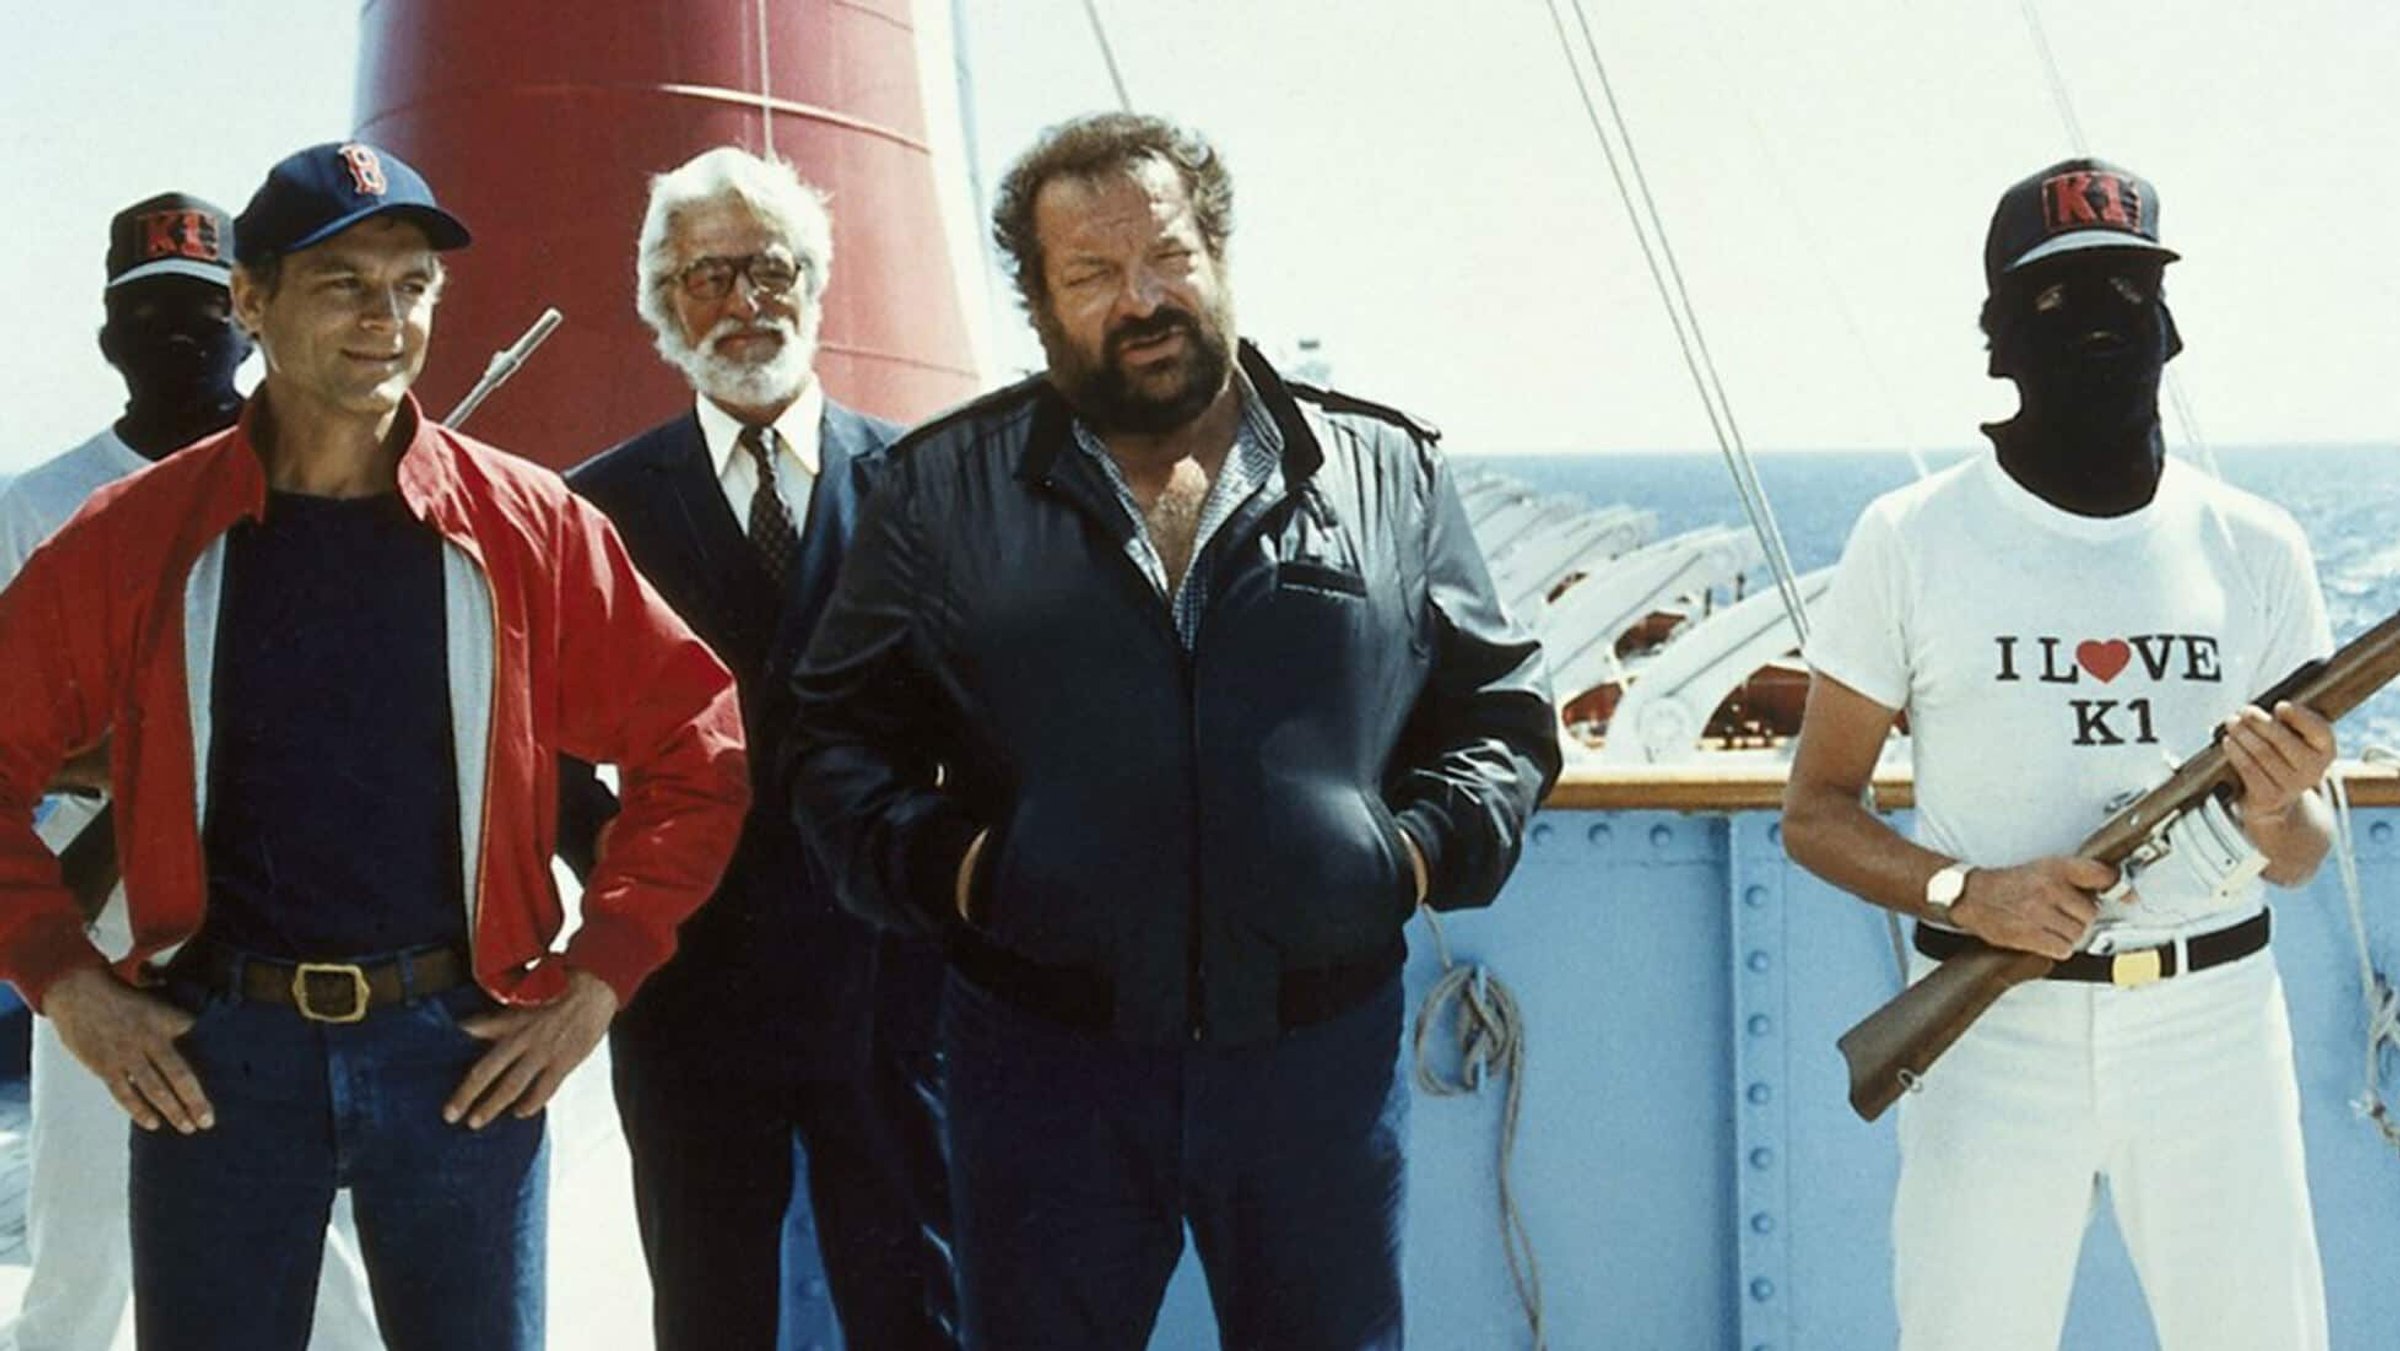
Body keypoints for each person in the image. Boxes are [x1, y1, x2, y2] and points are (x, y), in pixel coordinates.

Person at [789, 111, 1560, 1351]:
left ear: (1219, 255)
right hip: (1043, 1067)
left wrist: (1411, 855)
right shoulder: (939, 490)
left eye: (1168, 257)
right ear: (1040, 304)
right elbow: (831, 742)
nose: (1143, 299)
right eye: (1093, 273)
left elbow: (1501, 716)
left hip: (1316, 1064)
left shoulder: (1383, 470)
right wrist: (963, 870)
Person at [0, 142, 749, 1351]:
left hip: (464, 1056)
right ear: (252, 301)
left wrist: (598, 977)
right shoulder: (134, 538)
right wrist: (66, 983)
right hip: (215, 1061)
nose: (384, 318)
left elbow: (697, 741)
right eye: (342, 282)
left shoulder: (527, 525)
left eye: (411, 285)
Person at [1782, 157, 2335, 1350]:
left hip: (2214, 1025)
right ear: (1997, 337)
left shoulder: (2257, 546)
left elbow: (2301, 852)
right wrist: (1969, 892)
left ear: (2170, 327)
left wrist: (2276, 805)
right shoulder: (1911, 538)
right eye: (2055, 297)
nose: (2099, 323)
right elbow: (1815, 808)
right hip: (1990, 1029)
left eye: (2129, 293)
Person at [558, 145, 954, 1349]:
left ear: (815, 285)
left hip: (891, 982)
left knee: (920, 1311)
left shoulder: (928, 489)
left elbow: (995, 713)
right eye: (707, 276)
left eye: (771, 269)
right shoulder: (596, 510)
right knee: (709, 1314)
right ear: (662, 305)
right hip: (691, 990)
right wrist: (627, 866)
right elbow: (537, 741)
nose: (744, 301)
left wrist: (944, 870)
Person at [0, 194, 380, 1351]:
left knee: (329, 1258)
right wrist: (145, 761)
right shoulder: (34, 506)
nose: (178, 337)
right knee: (81, 1248)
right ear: (107, 335)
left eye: (203, 313)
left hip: (293, 909)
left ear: (250, 320)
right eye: (150, 314)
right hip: (102, 921)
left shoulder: (330, 479)